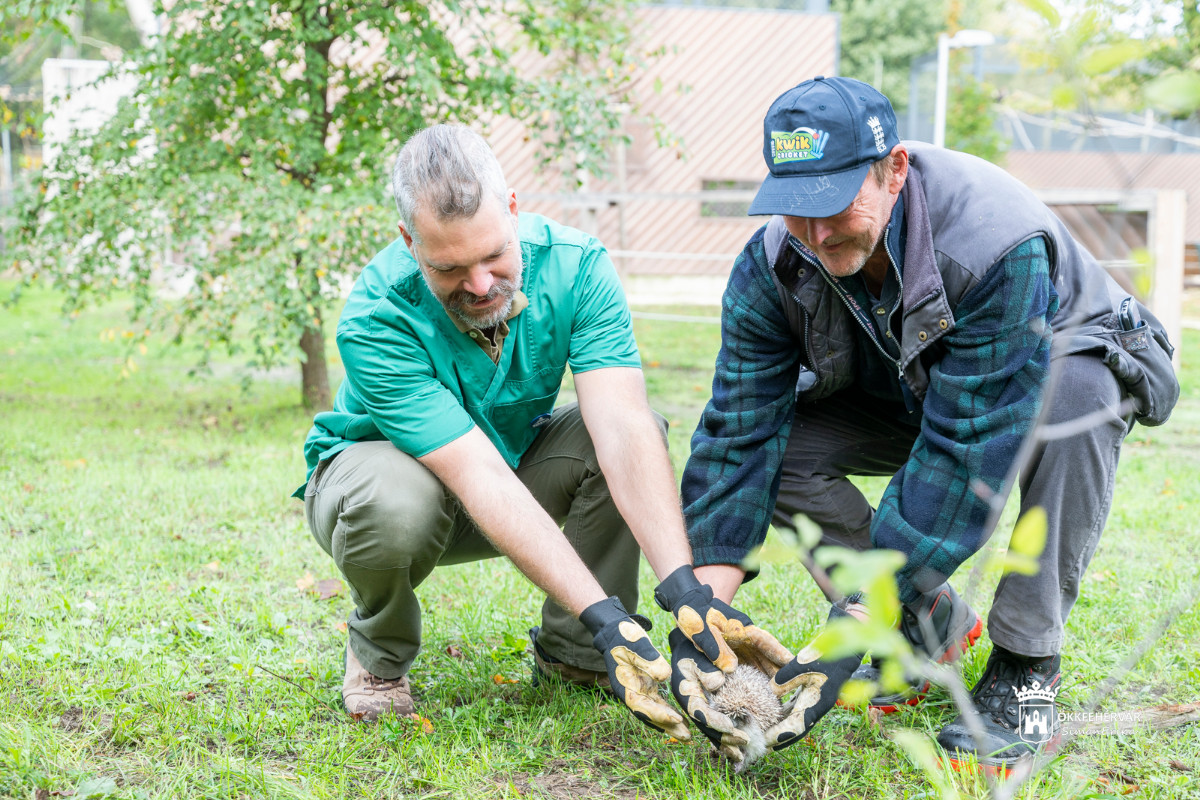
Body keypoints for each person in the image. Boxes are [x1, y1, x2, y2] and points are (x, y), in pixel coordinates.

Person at [293, 124, 851, 759]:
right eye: (448, 267)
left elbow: (622, 426)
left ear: (512, 210)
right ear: (408, 242)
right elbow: (474, 475)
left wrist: (687, 592)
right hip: (387, 487)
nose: (480, 285)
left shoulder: (577, 265)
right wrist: (606, 613)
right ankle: (379, 652)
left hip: (506, 466)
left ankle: (577, 656)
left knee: (630, 435)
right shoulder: (376, 315)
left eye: (494, 256)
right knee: (394, 503)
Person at [680, 76, 1179, 772]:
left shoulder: (994, 244)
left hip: (1044, 374)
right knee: (782, 440)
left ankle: (1025, 668)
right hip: (911, 385)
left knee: (1081, 393)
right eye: (797, 208)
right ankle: (923, 630)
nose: (818, 234)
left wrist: (851, 623)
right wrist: (700, 622)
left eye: (836, 204)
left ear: (895, 170)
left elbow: (964, 451)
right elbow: (738, 431)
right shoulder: (771, 263)